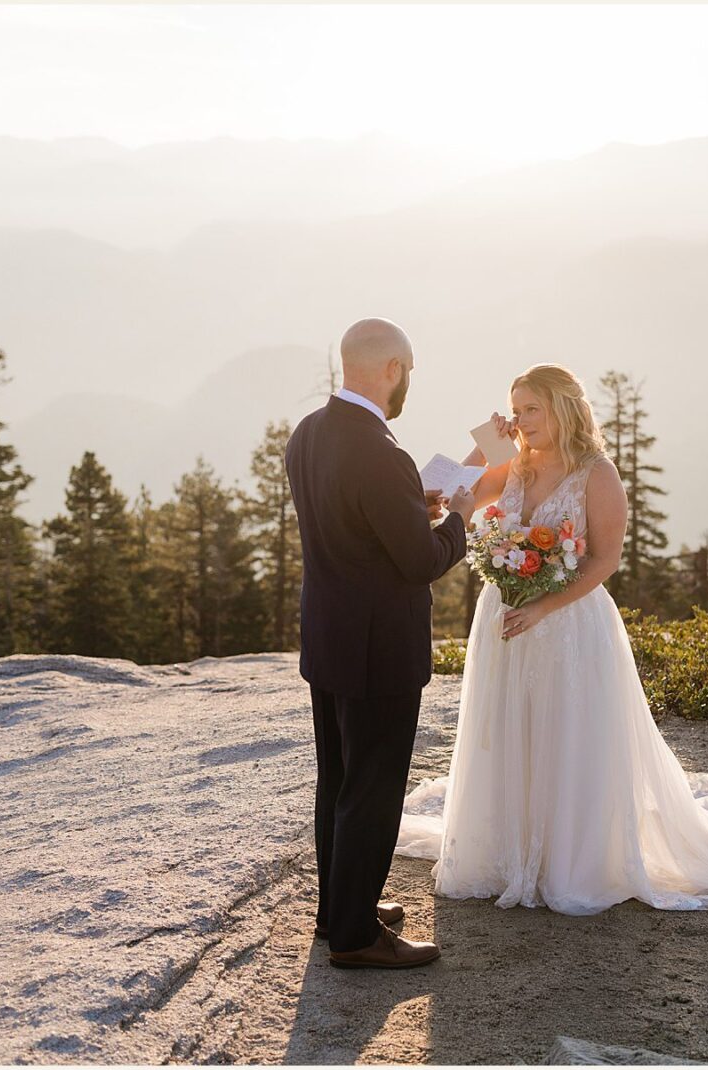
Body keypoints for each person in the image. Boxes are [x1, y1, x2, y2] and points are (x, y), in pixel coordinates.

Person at [396, 363, 708, 914]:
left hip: (567, 623)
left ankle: (570, 860)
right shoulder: (515, 464)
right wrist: (485, 443)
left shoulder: (598, 473)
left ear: (563, 410)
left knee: (566, 732)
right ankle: (506, 851)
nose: (521, 421)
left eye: (531, 410)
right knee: (509, 726)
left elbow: (604, 560)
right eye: (515, 409)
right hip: (505, 618)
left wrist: (544, 605)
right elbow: (449, 491)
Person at [284, 318, 474, 968]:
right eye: (409, 371)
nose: (408, 384)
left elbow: (349, 520)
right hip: (378, 649)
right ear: (391, 369)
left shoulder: (309, 433)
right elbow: (421, 561)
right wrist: (459, 519)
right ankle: (358, 939)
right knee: (372, 786)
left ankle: (339, 912)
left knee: (337, 778)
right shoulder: (381, 451)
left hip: (330, 639)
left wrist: (404, 504)